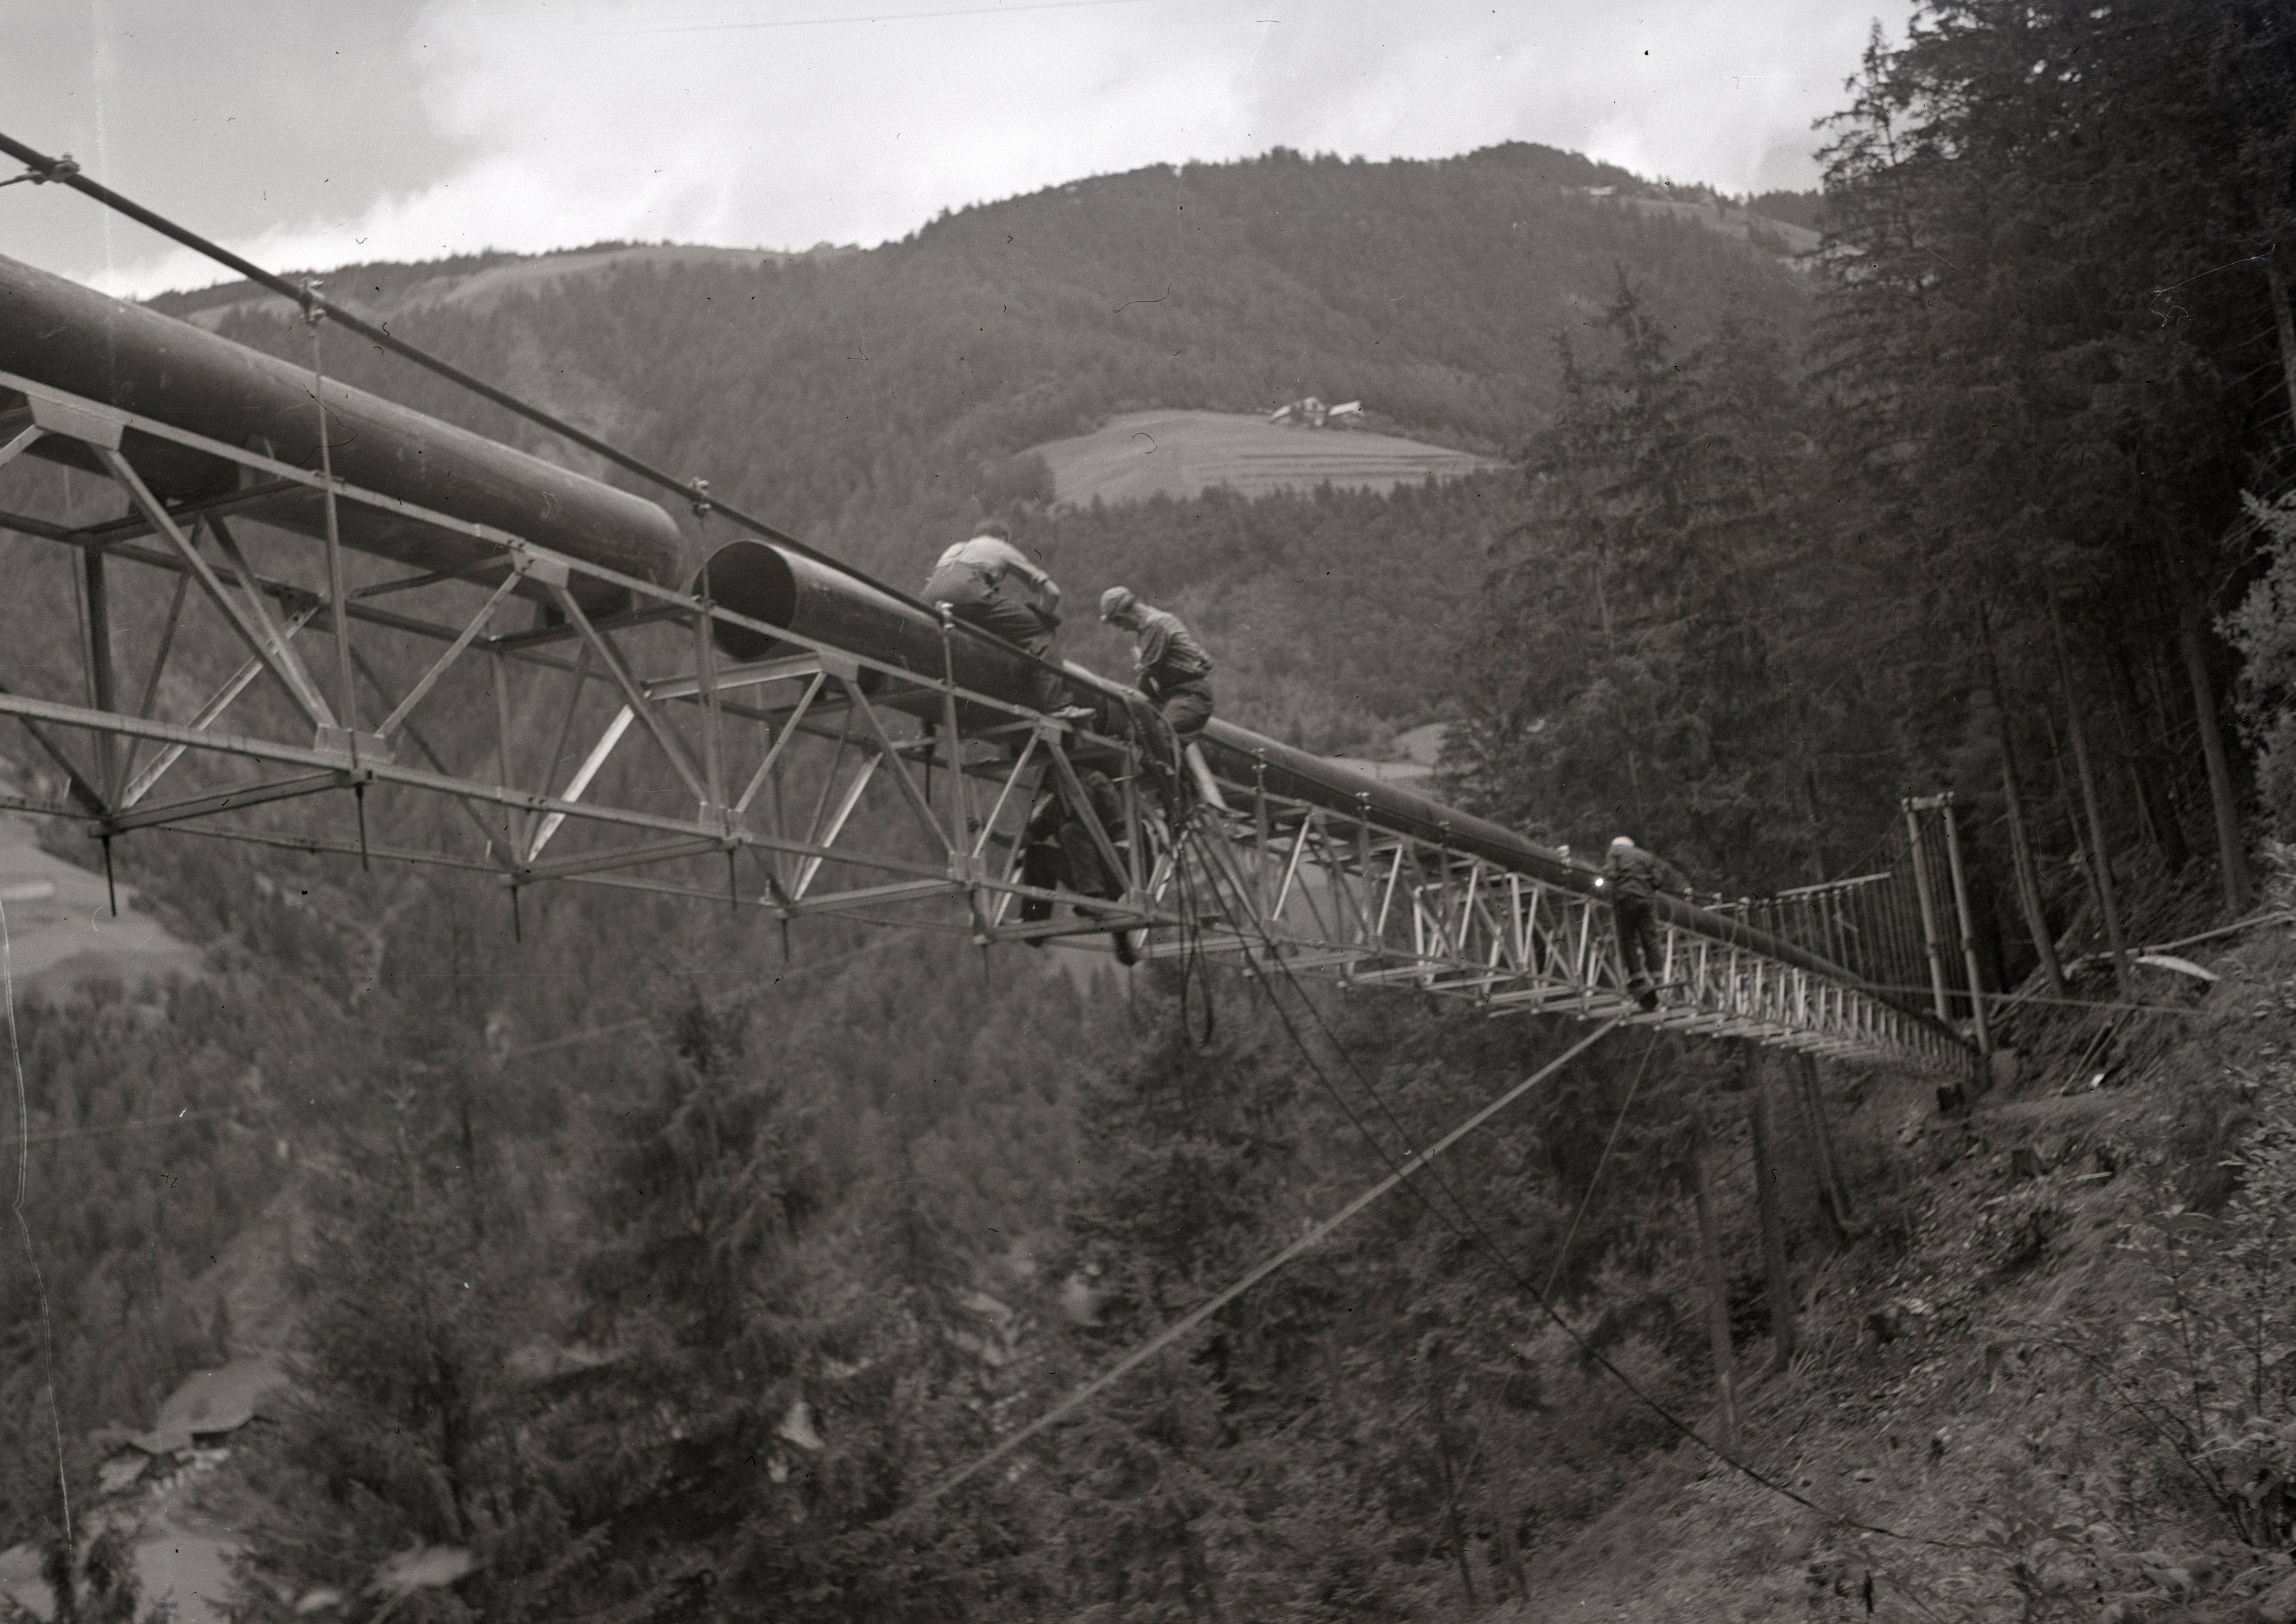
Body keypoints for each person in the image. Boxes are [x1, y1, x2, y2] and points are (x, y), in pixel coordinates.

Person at [925, 521, 1070, 710]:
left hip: (930, 597)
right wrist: (1039, 622)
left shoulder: (955, 548)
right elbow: (1052, 593)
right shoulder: (1000, 547)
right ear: (1003, 539)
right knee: (1041, 631)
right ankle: (1057, 705)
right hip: (969, 591)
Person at [1017, 767, 1137, 964]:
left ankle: (1095, 899)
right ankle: (1034, 925)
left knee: (1071, 832)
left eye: (1049, 782)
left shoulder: (1095, 780)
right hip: (1087, 870)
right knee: (1035, 855)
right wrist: (987, 830)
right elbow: (1026, 839)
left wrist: (1071, 799)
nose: (1048, 790)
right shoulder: (1055, 805)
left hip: (1117, 862)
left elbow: (1100, 817)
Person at [1098, 587, 1214, 743]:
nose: (1122, 629)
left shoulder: (1154, 626)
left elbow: (1145, 680)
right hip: (1176, 696)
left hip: (1190, 696)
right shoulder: (1150, 628)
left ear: (1125, 613)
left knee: (1158, 739)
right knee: (1137, 736)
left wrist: (1150, 695)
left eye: (1118, 622)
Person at [1599, 834, 1691, 1011]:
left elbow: (1611, 873)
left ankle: (1637, 976)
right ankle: (1658, 976)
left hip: (1625, 899)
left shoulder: (1615, 852)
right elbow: (1657, 882)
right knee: (1650, 938)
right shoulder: (1646, 856)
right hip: (1647, 903)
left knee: (1627, 938)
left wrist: (1607, 878)